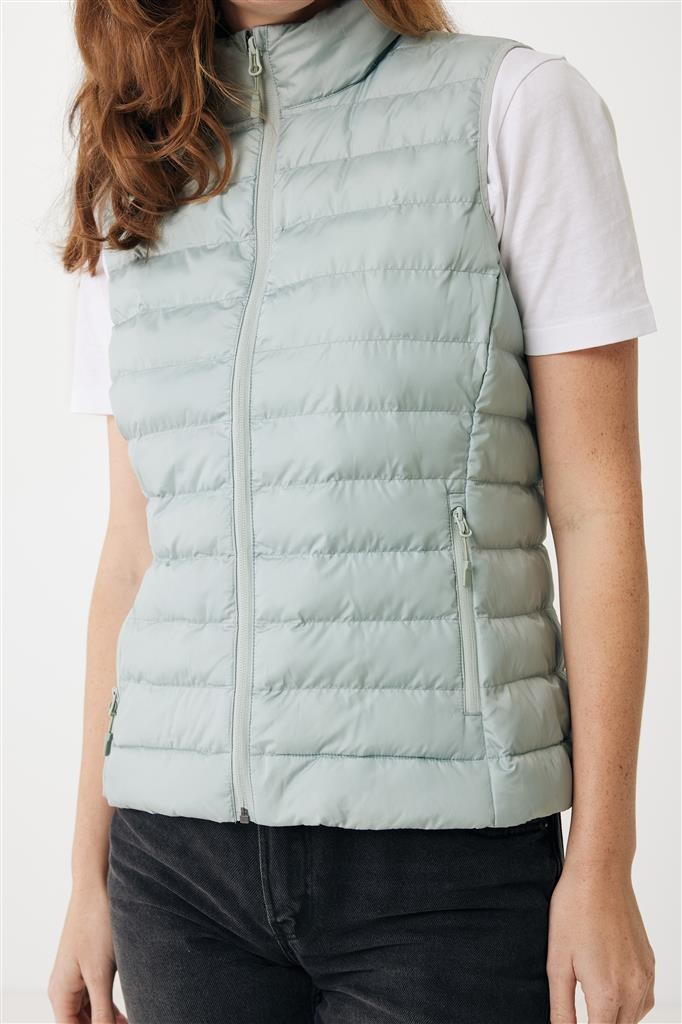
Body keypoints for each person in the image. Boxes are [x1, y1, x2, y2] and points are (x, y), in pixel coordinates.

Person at [50, 1, 658, 1021]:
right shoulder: (139, 161)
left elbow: (598, 514)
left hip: (442, 874)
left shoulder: (513, 108)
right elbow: (134, 551)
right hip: (174, 873)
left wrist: (603, 862)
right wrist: (85, 873)